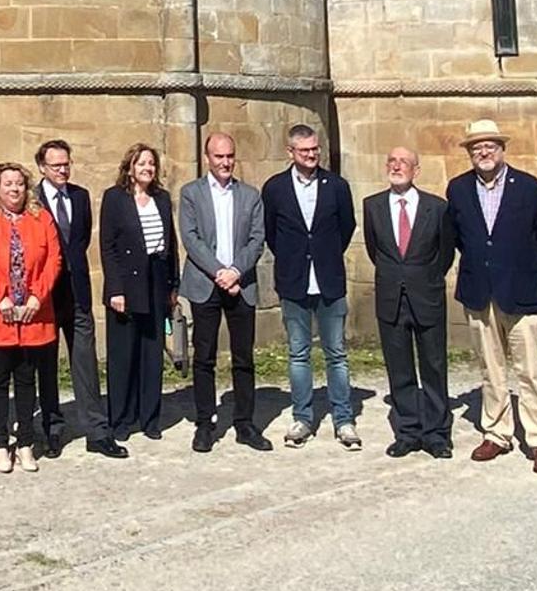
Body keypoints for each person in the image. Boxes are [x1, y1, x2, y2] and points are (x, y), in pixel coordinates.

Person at [446, 119, 537, 474]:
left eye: (490, 145)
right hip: (480, 291)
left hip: (521, 290)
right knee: (490, 368)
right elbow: (460, 238)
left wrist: (524, 269)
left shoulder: (529, 187)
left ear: (501, 149)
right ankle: (497, 433)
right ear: (469, 152)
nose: (484, 151)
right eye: (476, 147)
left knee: (530, 370)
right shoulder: (459, 189)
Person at [262, 124, 360, 450]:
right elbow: (272, 233)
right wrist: (296, 260)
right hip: (294, 280)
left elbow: (346, 226)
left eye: (315, 149)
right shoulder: (275, 188)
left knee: (336, 353)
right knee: (298, 353)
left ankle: (343, 419)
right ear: (290, 152)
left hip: (329, 278)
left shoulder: (337, 186)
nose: (312, 155)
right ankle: (303, 417)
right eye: (304, 150)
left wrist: (324, 255)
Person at [0, 162, 62, 473]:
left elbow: (53, 260)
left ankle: (25, 443)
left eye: (19, 183)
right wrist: (1, 297)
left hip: (33, 314)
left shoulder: (41, 218)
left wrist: (37, 296)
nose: (14, 189)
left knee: (25, 379)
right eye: (8, 183)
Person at [35, 139, 127, 460]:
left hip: (77, 292)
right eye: (55, 165)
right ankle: (52, 428)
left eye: (66, 163)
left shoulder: (81, 196)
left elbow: (81, 239)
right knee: (46, 364)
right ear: (42, 168)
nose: (62, 169)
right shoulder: (33, 201)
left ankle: (97, 431)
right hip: (45, 296)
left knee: (85, 361)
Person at [178, 132, 270, 454]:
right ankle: (205, 423)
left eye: (229, 156)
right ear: (208, 158)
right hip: (206, 284)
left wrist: (235, 272)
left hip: (240, 285)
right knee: (204, 357)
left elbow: (257, 239)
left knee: (243, 358)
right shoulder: (191, 193)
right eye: (219, 157)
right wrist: (219, 271)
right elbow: (190, 238)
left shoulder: (250, 195)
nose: (225, 162)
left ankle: (245, 423)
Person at [363, 147, 456, 459]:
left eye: (404, 162)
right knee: (399, 368)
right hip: (391, 297)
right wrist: (397, 277)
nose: (396, 166)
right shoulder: (372, 206)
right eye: (391, 160)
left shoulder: (437, 207)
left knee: (433, 365)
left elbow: (445, 252)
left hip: (426, 295)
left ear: (417, 169)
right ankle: (408, 431)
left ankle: (437, 434)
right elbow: (375, 250)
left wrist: (423, 278)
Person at [99, 143, 179, 441]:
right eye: (142, 163)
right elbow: (107, 247)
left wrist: (173, 285)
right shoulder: (115, 198)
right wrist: (115, 289)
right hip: (127, 284)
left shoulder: (162, 198)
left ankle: (150, 418)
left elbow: (171, 245)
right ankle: (120, 418)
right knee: (123, 354)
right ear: (130, 168)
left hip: (156, 281)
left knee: (151, 352)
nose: (147, 168)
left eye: (151, 164)